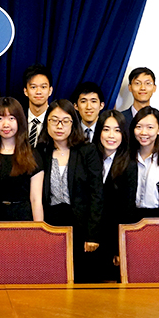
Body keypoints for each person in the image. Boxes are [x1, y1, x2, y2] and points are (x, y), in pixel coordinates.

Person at [37, 100, 103, 282]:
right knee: (52, 278)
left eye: (65, 121)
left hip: (81, 226)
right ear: (46, 123)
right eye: (54, 120)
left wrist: (92, 234)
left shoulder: (87, 151)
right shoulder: (40, 151)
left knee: (82, 279)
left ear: (73, 123)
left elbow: (97, 194)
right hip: (50, 224)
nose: (59, 126)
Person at [0, 97, 44, 221]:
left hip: (23, 219)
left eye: (11, 118)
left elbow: (36, 199)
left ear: (20, 121)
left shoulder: (33, 155)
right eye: (0, 118)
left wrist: (38, 232)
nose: (6, 124)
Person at [95, 110, 137, 279]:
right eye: (106, 129)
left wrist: (119, 247)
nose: (111, 135)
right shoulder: (90, 158)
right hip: (90, 238)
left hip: (113, 240)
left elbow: (126, 211)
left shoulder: (129, 165)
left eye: (117, 130)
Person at [129, 106, 159, 219]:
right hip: (130, 218)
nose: (143, 132)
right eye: (139, 127)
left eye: (150, 127)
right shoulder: (127, 158)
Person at [120, 67, 159, 134]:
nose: (143, 88)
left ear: (154, 88)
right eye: (137, 83)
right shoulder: (120, 119)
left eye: (148, 83)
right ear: (130, 87)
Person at [22, 64, 53, 147]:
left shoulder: (57, 119)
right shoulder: (18, 118)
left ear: (50, 90)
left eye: (43, 87)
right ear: (25, 91)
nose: (38, 92)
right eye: (33, 87)